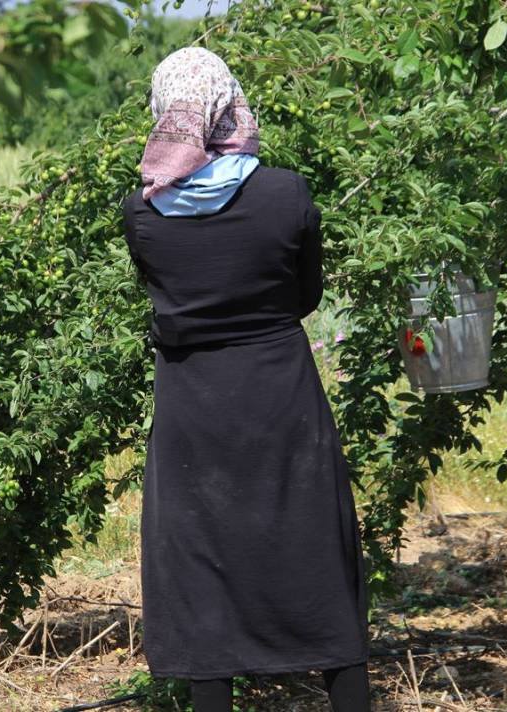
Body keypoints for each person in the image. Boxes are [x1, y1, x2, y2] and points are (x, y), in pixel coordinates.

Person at [122, 48, 370, 712]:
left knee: (205, 557)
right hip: (280, 397)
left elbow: (163, 295)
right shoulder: (285, 193)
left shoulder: (141, 212)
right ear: (228, 106)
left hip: (191, 404)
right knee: (312, 546)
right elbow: (305, 294)